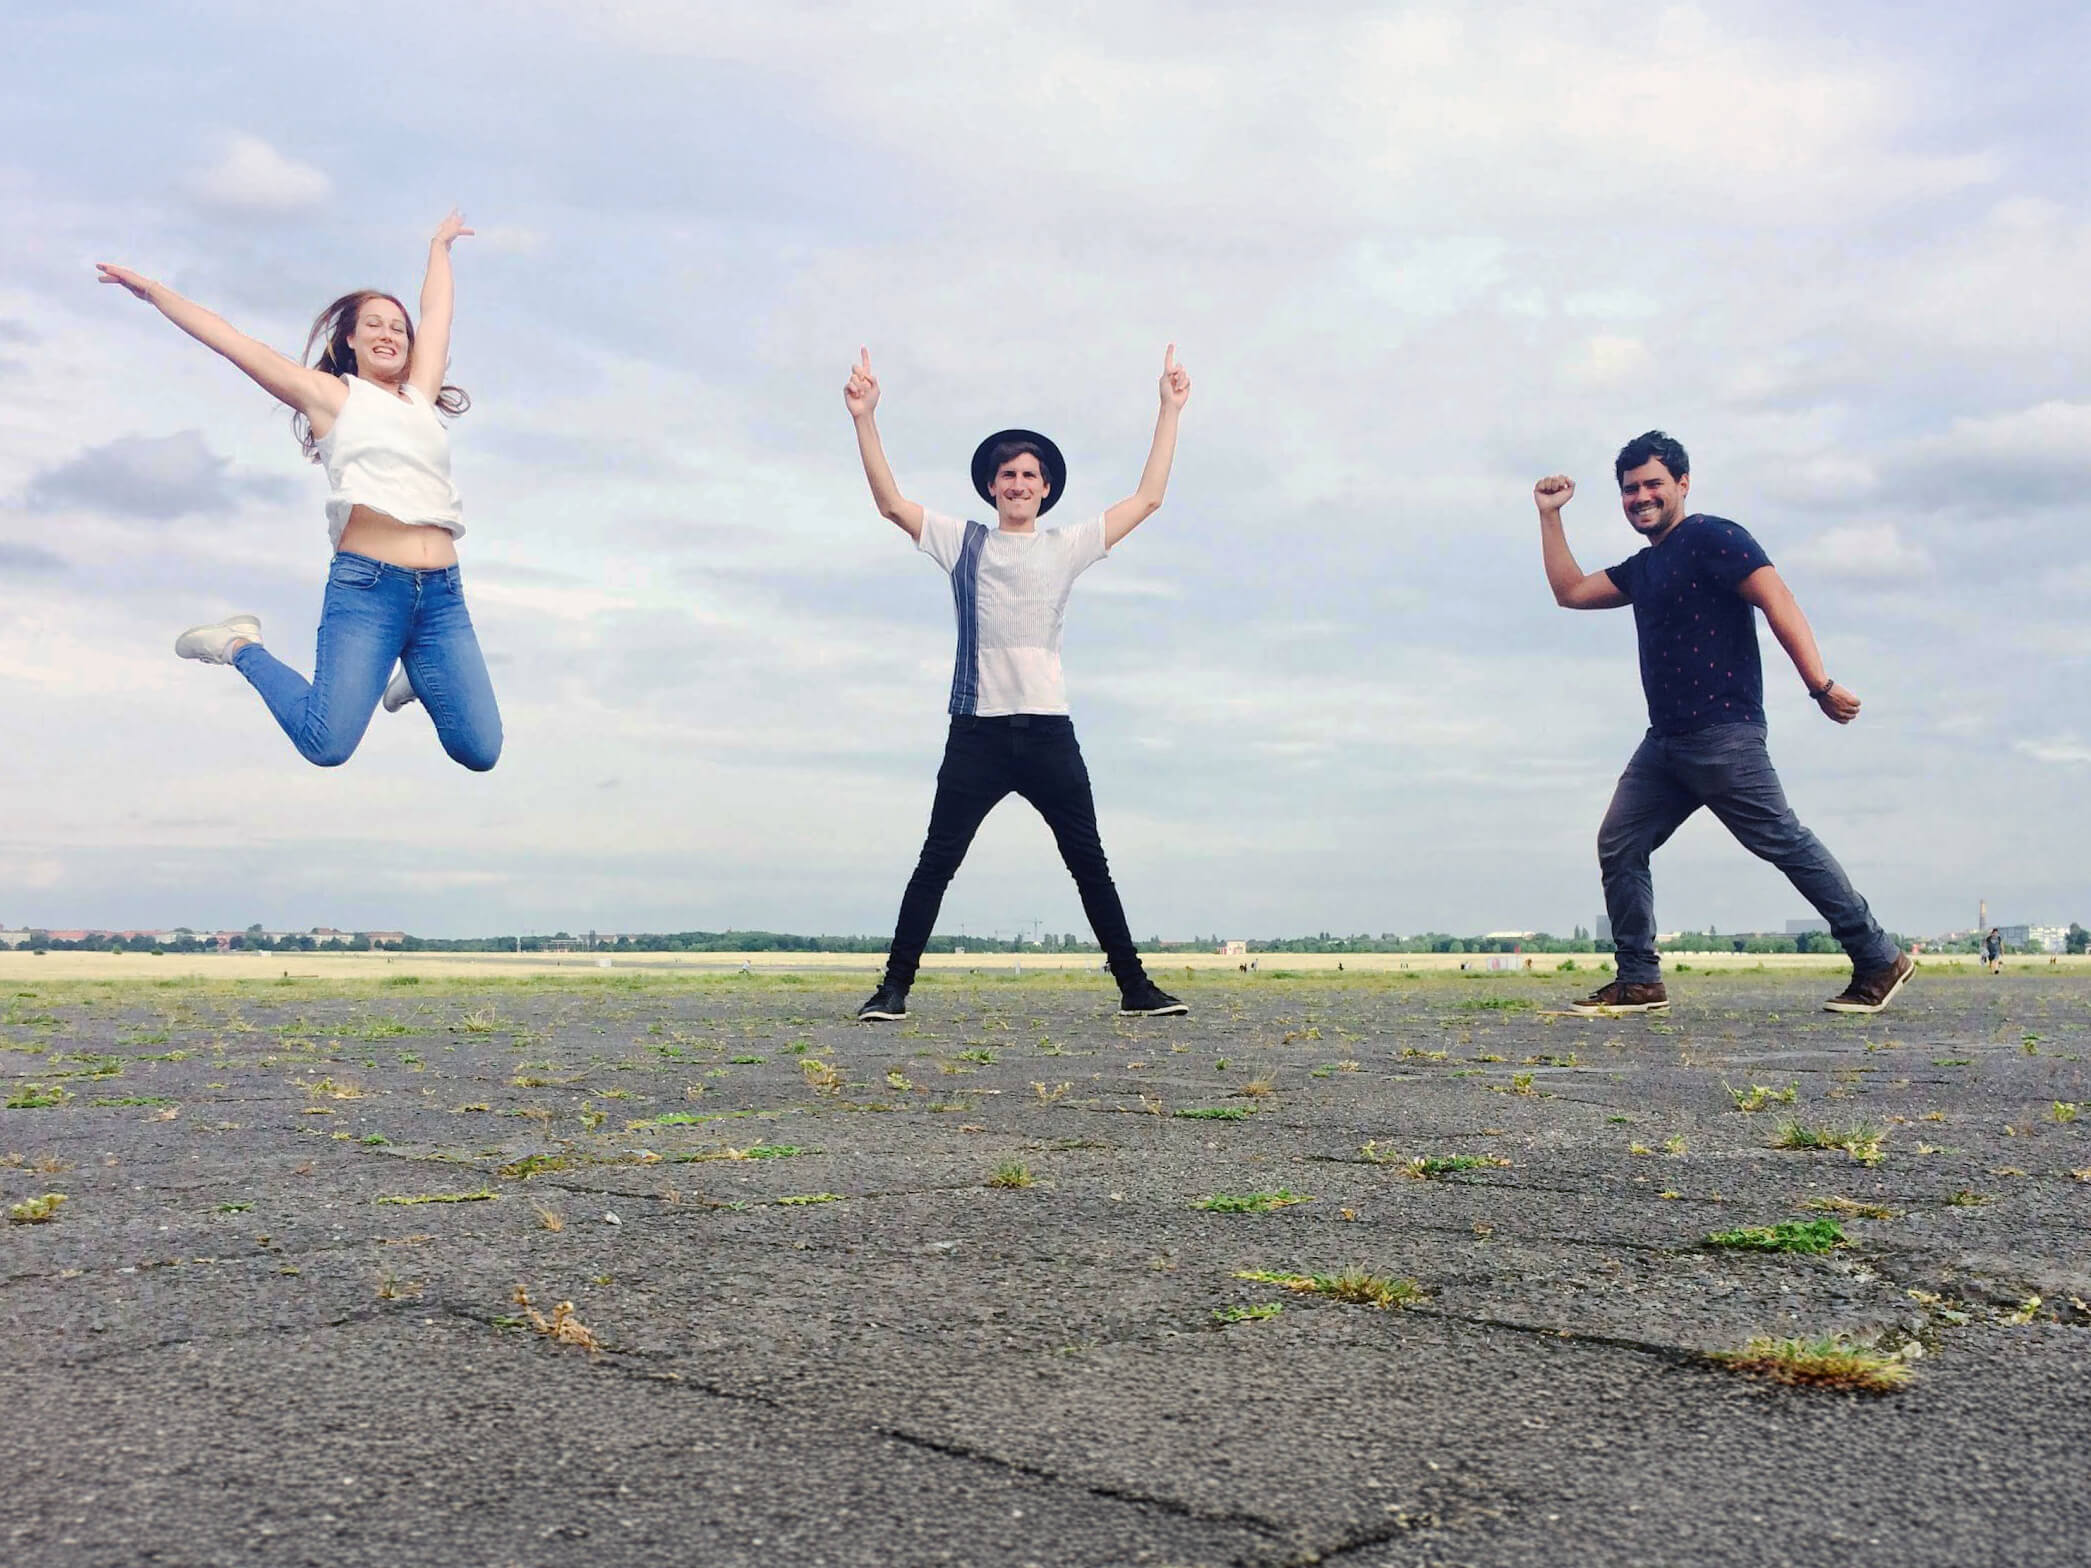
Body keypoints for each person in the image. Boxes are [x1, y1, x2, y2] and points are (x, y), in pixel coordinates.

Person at [843, 345, 1192, 1021]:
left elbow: (1149, 497)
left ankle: (1133, 988)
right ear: (992, 486)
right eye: (1007, 474)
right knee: (935, 863)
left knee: (1089, 863)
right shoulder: (962, 542)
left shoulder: (1066, 546)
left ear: (1046, 488)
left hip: (1048, 732)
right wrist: (865, 417)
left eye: (1030, 474)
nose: (1018, 483)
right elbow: (889, 502)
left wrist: (1168, 408)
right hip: (976, 732)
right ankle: (893, 989)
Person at [96, 212, 501, 772]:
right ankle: (238, 645)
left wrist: (439, 247)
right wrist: (155, 293)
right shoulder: (330, 397)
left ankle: (421, 675)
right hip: (369, 591)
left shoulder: (420, 397)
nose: (390, 335)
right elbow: (234, 343)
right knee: (326, 744)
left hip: (442, 598)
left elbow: (438, 314)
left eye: (398, 329)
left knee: (479, 751)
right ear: (351, 339)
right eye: (375, 325)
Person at [1535, 431, 1911, 1016]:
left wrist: (1819, 684)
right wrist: (1550, 516)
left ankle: (1878, 956)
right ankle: (1640, 979)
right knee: (1620, 841)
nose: (1641, 497)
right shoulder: (1645, 567)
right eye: (1630, 489)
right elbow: (1571, 591)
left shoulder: (1714, 537)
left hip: (1723, 734)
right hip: (1666, 744)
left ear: (1683, 484)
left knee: (1782, 840)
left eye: (1653, 483)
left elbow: (1777, 598)